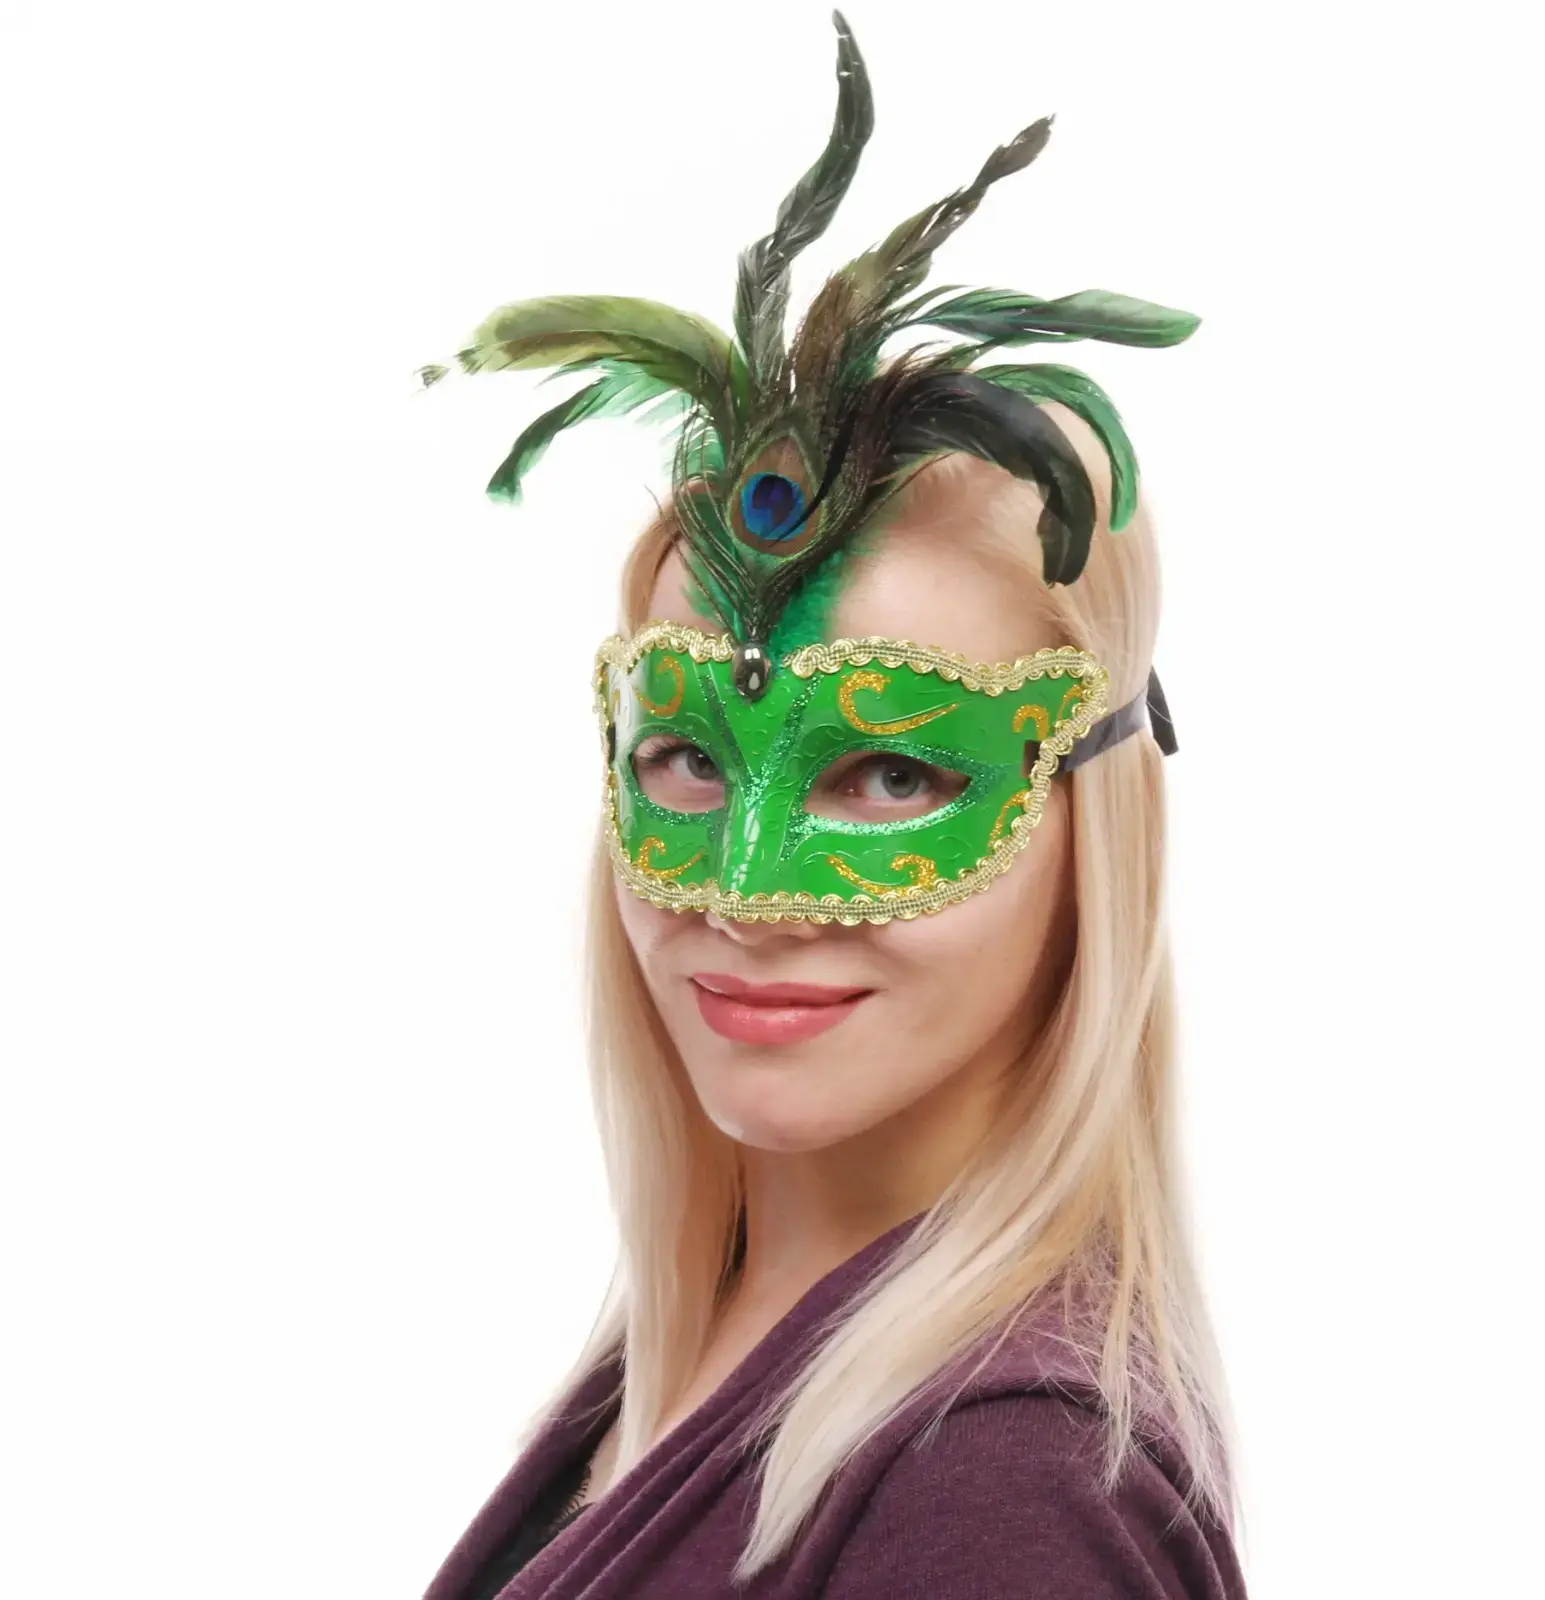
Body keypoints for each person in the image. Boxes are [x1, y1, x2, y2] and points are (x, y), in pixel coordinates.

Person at [416, 13, 1246, 1598]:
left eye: (893, 772)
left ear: (1093, 824)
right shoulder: (715, 1338)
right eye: (689, 757)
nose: (744, 894)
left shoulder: (1004, 1501)